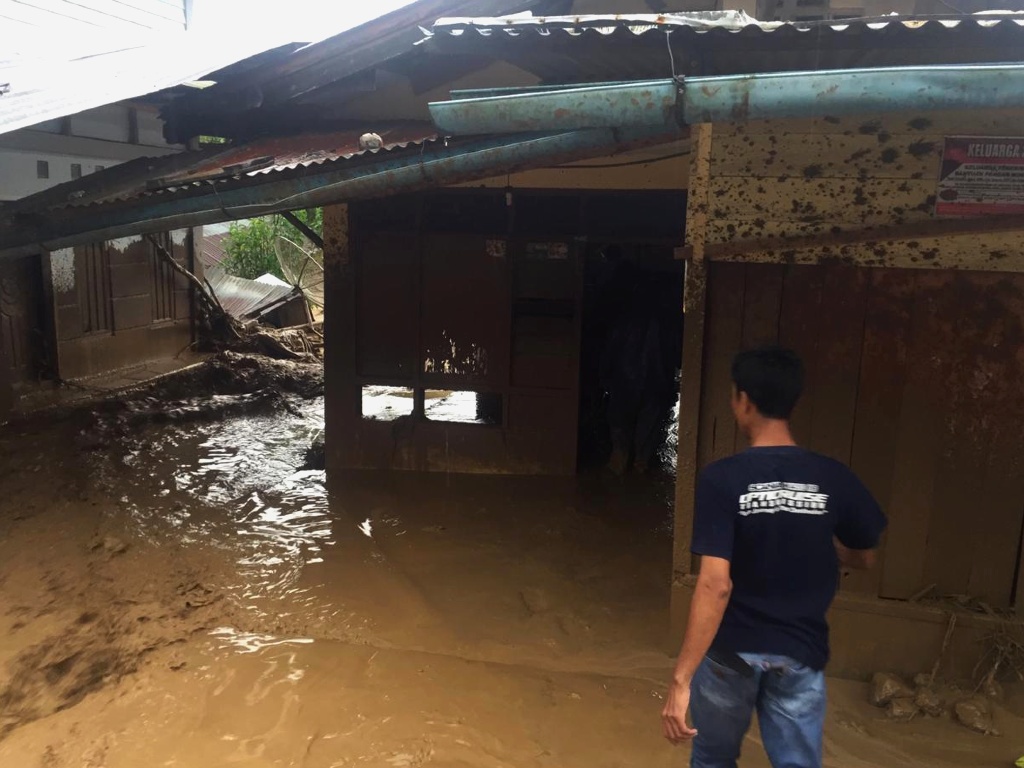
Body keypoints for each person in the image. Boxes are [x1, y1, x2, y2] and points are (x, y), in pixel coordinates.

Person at [661, 346, 887, 768]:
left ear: (743, 401)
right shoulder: (831, 476)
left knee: (713, 759)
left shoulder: (722, 479)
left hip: (730, 654)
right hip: (798, 653)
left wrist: (681, 679)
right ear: (793, 401)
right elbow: (866, 555)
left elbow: (715, 583)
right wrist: (818, 540)